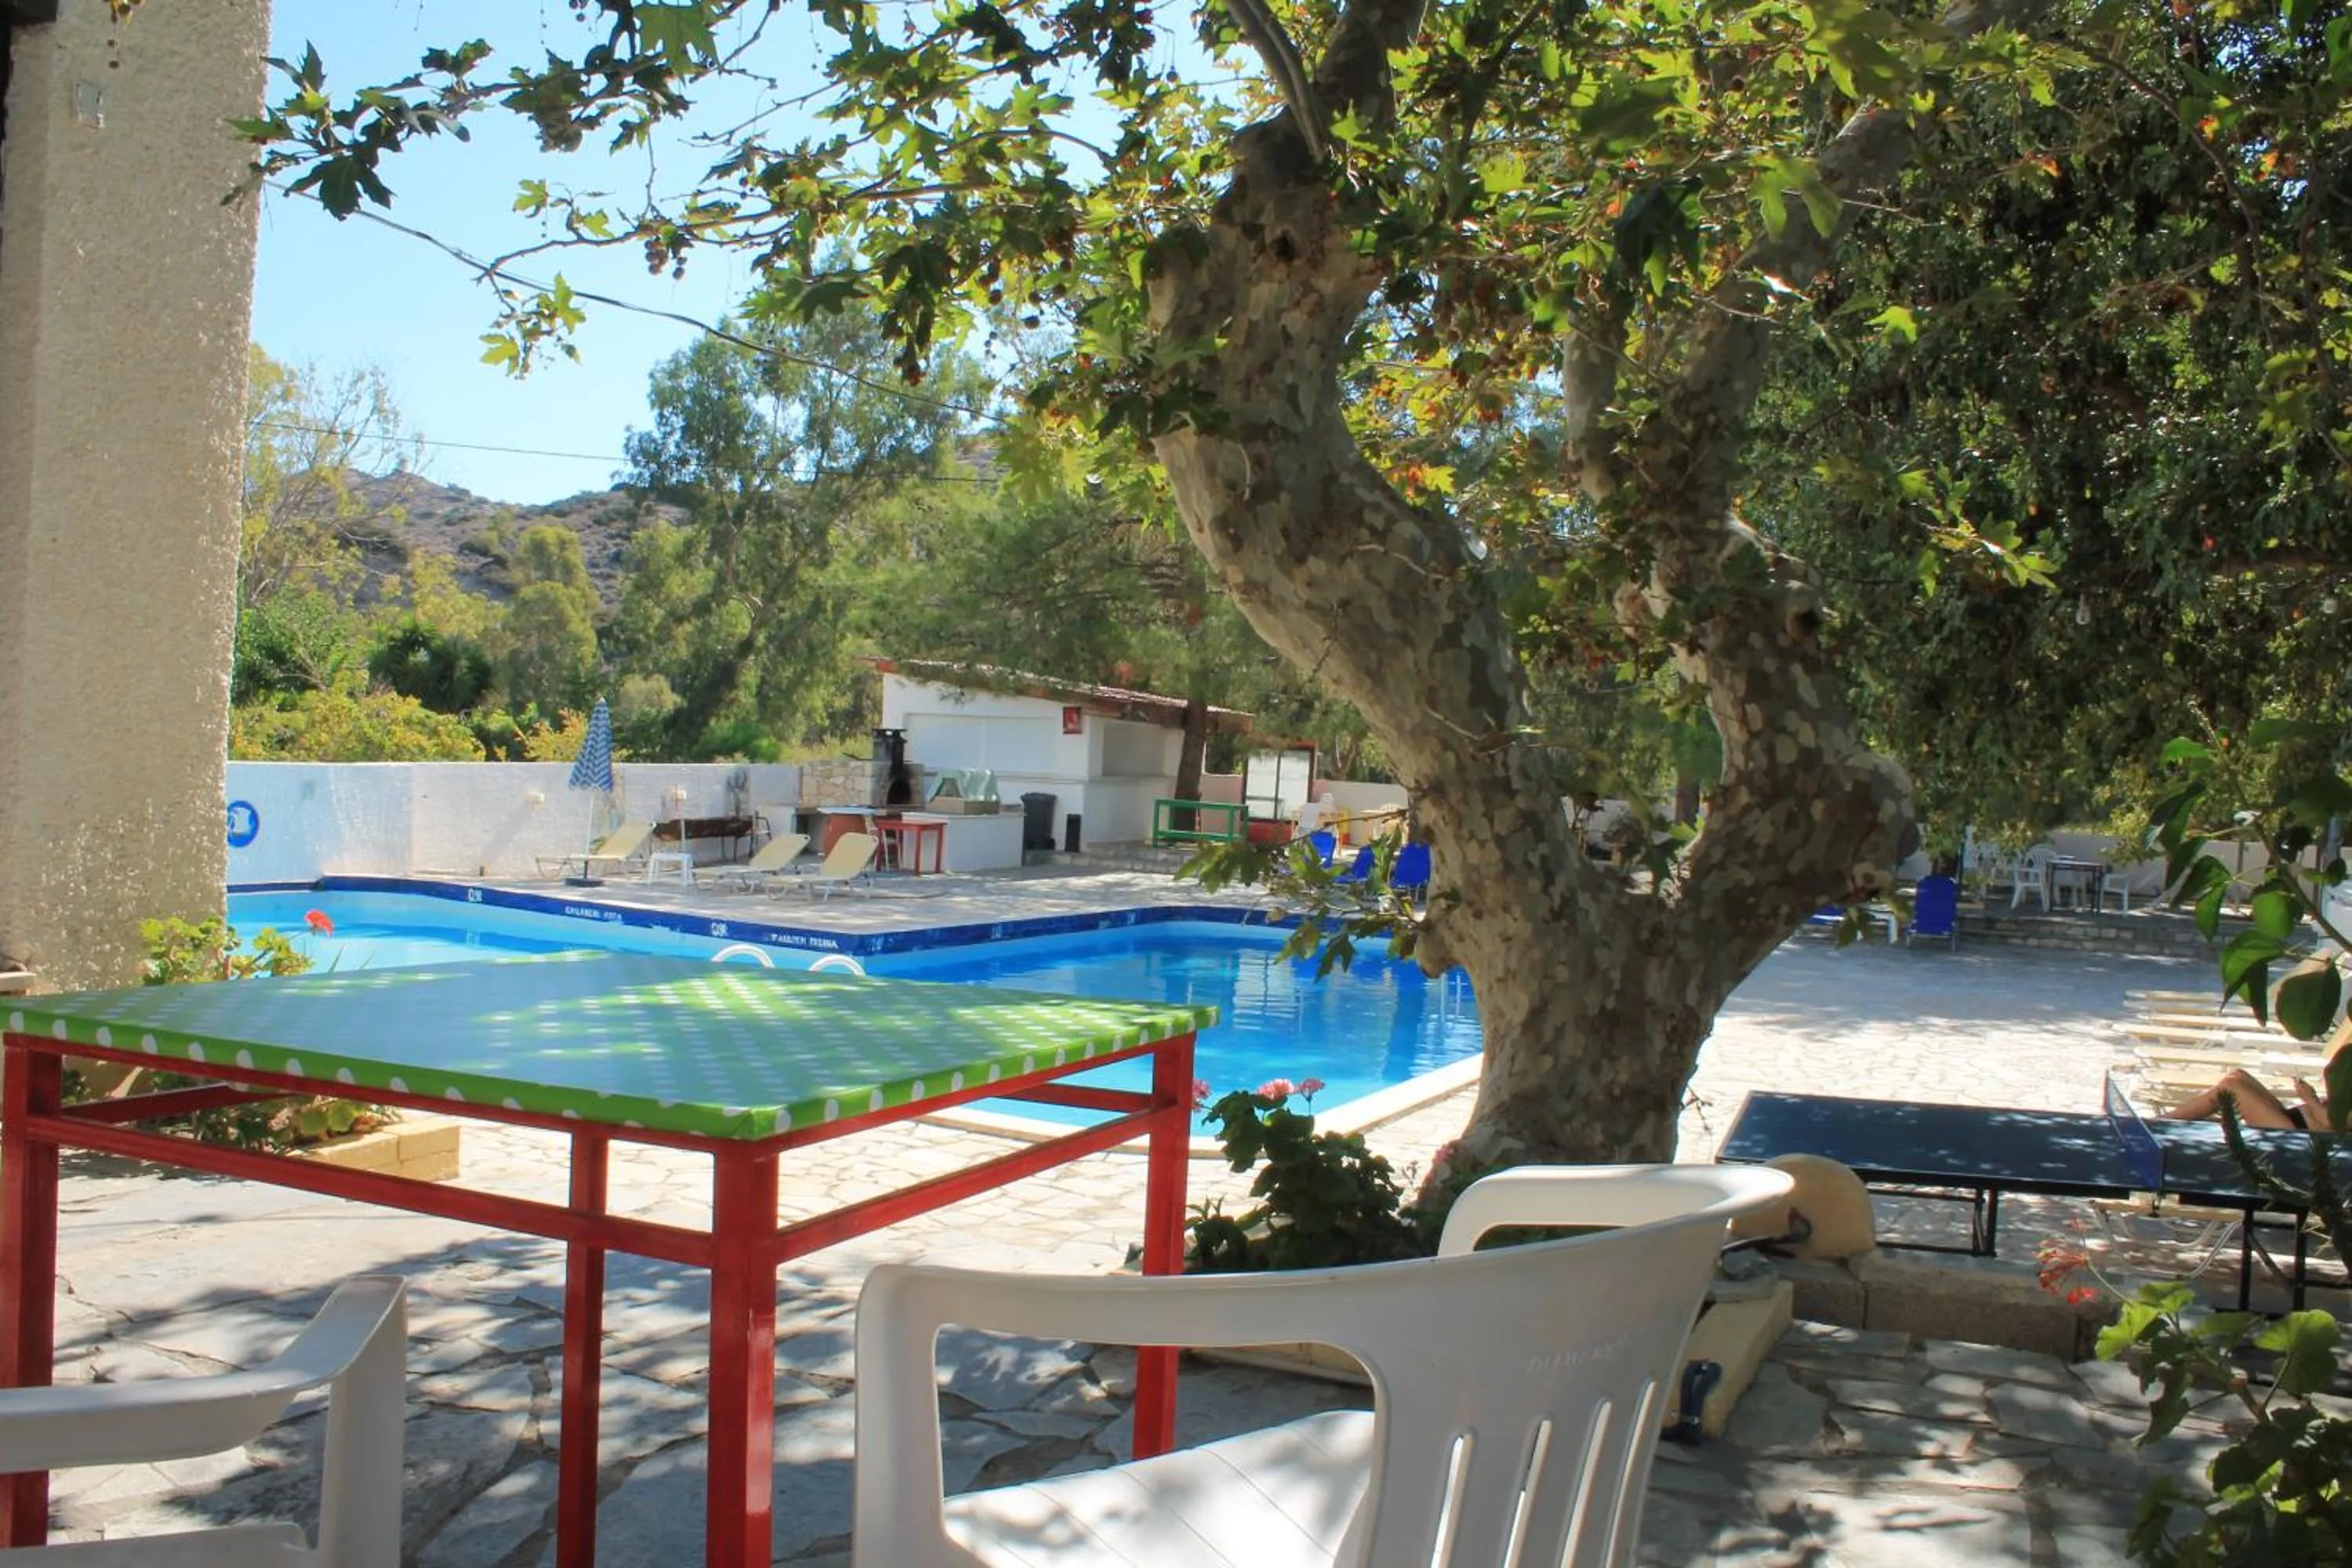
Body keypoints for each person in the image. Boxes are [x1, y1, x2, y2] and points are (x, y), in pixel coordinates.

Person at [2165, 1067, 2329, 1131]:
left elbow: (2330, 1123)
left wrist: (2310, 1099)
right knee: (2238, 1076)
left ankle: (2162, 1122)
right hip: (2295, 1120)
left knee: (2230, 1088)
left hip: (2293, 1133)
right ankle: (2166, 1121)